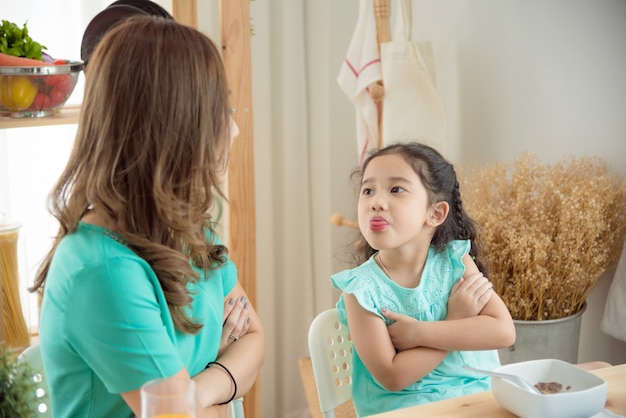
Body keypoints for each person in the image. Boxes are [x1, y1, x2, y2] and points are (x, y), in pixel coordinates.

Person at [30, 15, 264, 418]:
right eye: (219, 110)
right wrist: (223, 384)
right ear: (175, 127)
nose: (235, 130)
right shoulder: (102, 269)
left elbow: (255, 340)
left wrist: (197, 391)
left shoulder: (186, 227)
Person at [331, 142, 516, 417]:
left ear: (436, 213)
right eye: (368, 190)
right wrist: (455, 322)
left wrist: (420, 333)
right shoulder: (360, 290)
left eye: (396, 189)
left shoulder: (455, 262)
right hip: (405, 409)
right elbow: (392, 376)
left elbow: (503, 331)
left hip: (477, 399)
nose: (376, 202)